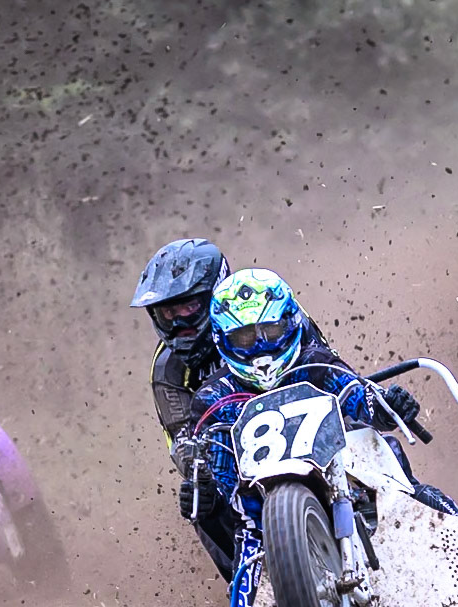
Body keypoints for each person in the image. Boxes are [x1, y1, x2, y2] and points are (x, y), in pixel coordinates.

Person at [186, 267, 458, 530]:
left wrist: (389, 405)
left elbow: (360, 399)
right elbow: (220, 481)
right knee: (222, 533)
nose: (260, 347)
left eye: (270, 332)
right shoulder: (213, 398)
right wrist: (204, 493)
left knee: (418, 497)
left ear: (290, 322)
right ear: (222, 340)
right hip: (261, 521)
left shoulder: (317, 364)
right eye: (245, 338)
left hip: (349, 478)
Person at [131, 239, 328, 580]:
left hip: (310, 423)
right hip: (237, 458)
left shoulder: (276, 313)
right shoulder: (168, 368)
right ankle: (255, 588)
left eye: (188, 307)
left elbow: (326, 369)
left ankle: (410, 512)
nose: (179, 324)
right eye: (168, 314)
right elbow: (182, 441)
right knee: (199, 499)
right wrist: (201, 471)